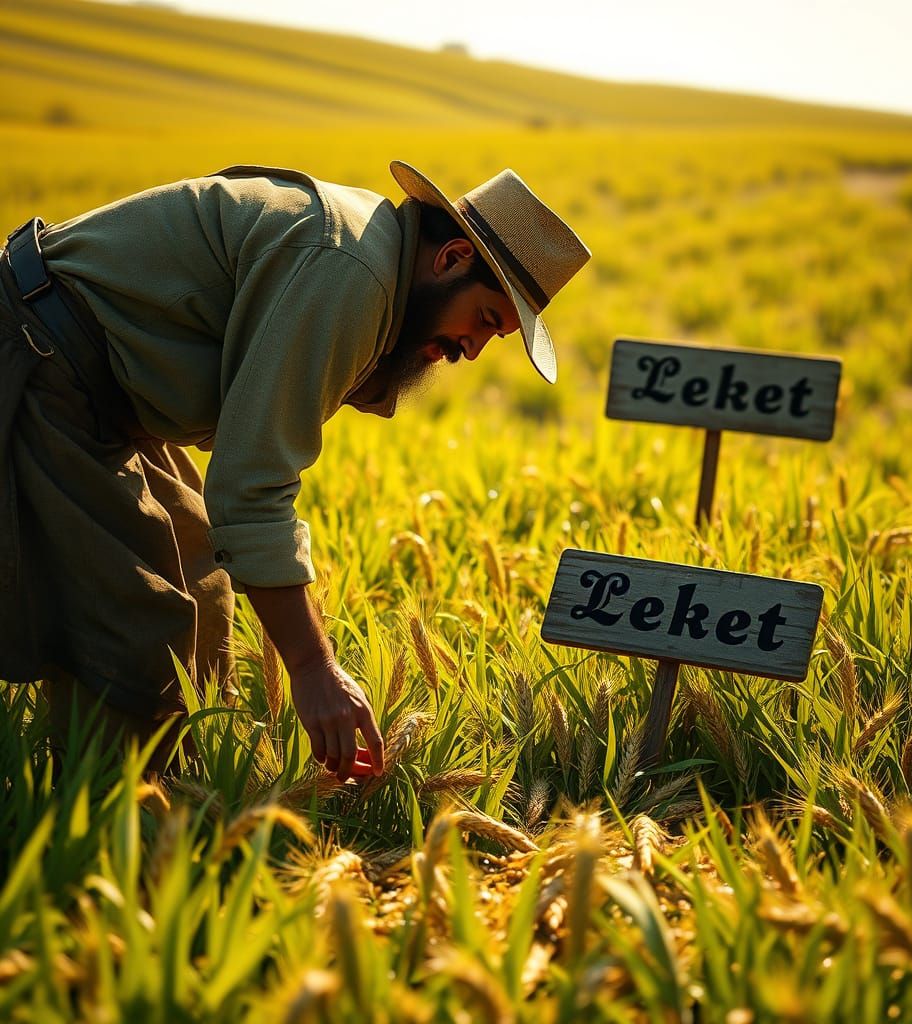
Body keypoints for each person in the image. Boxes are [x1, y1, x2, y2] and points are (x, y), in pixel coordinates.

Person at [0, 160, 590, 781]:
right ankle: (100, 832)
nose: (469, 349)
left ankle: (183, 793)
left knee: (200, 576)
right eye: (486, 320)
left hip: (103, 388)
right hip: (42, 358)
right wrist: (313, 669)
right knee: (137, 627)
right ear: (451, 259)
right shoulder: (352, 273)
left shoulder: (371, 255)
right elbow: (251, 490)